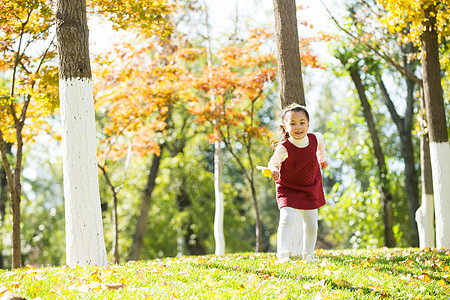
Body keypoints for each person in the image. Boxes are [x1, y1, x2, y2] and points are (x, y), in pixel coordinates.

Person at [267, 103, 327, 263]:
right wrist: (274, 171)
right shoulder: (284, 147)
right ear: (285, 127)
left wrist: (322, 158)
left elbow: (321, 145)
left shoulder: (316, 138)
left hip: (310, 187)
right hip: (288, 188)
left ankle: (308, 255)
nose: (298, 127)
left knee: (312, 225)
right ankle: (282, 255)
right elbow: (272, 163)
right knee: (287, 218)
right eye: (292, 123)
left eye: (302, 122)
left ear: (308, 124)